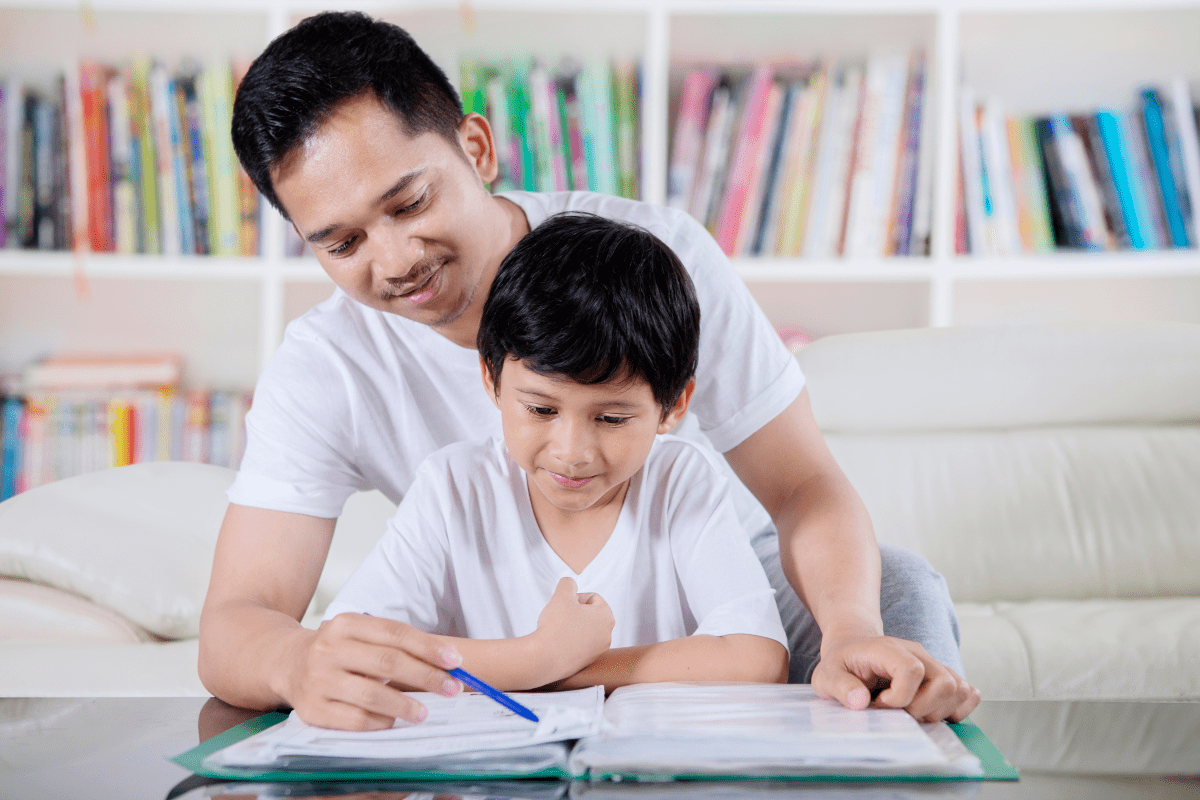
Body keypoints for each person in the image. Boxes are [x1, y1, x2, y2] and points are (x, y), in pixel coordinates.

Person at [200, 10, 980, 731]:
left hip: (715, 605)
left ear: (475, 148)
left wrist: (849, 629)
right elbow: (239, 617)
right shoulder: (326, 366)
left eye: (408, 204)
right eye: (342, 244)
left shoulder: (653, 258)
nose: (395, 260)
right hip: (509, 631)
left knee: (900, 588)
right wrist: (299, 661)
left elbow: (803, 486)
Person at [322, 213, 789, 702]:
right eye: (541, 409)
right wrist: (537, 655)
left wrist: (556, 671)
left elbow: (759, 658)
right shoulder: (453, 488)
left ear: (672, 406)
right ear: (492, 379)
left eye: (610, 419)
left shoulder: (681, 482)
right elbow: (350, 653)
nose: (571, 453)